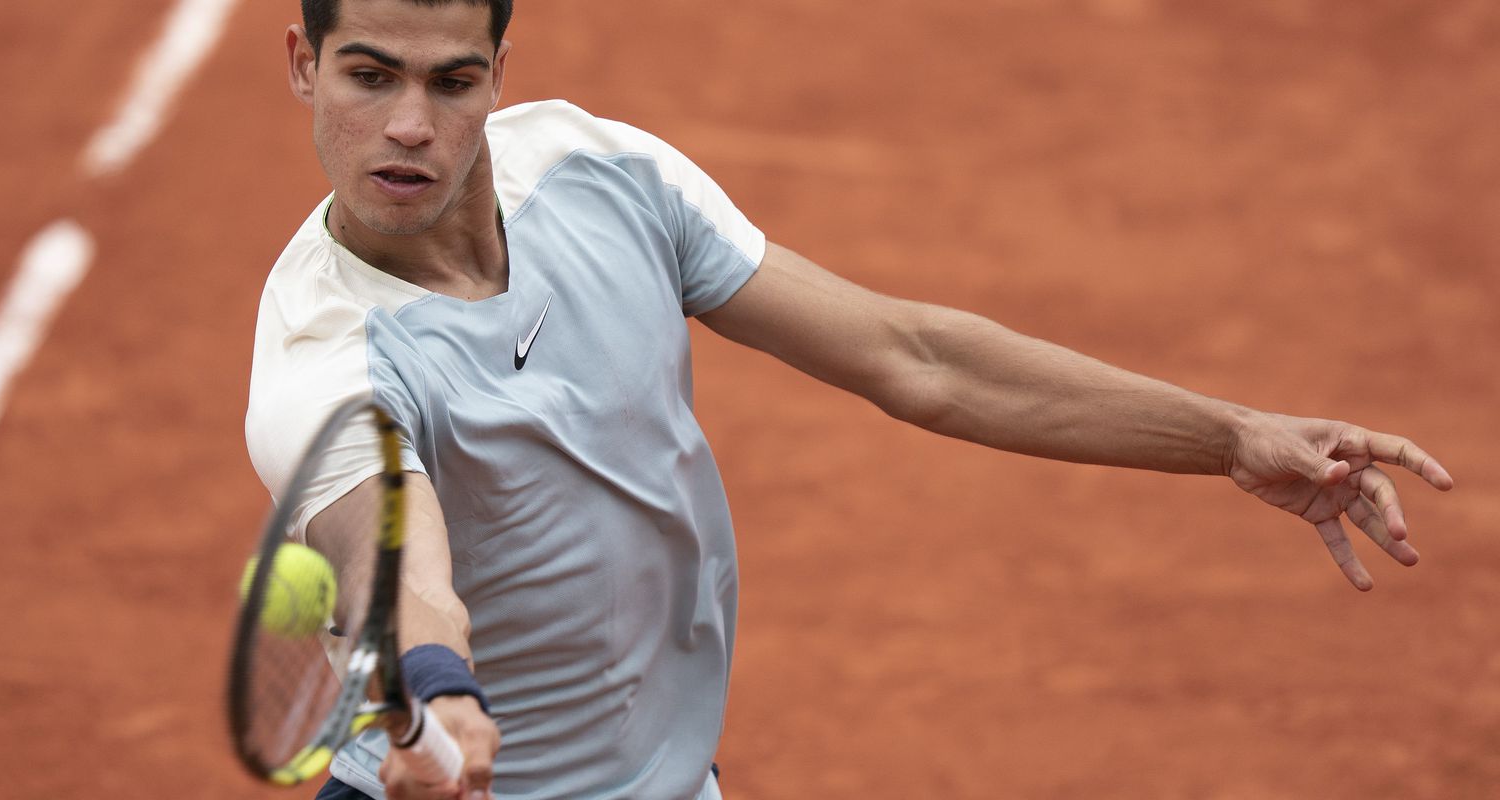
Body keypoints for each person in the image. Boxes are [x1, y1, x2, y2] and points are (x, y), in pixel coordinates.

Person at [244, 1, 1455, 798]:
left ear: (501, 75)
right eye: (368, 74)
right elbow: (403, 569)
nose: (409, 125)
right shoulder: (325, 357)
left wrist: (1227, 434)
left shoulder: (598, 170)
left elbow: (916, 357)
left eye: (452, 80)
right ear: (304, 64)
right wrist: (436, 694)